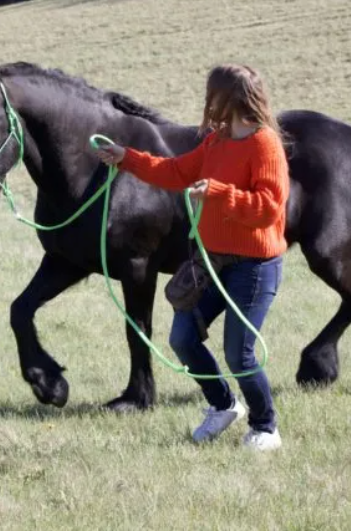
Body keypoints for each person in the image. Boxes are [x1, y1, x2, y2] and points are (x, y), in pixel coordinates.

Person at [94, 64, 290, 451]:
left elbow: (269, 208)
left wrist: (219, 193)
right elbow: (175, 171)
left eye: (212, 93)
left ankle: (266, 427)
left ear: (231, 97)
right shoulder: (216, 142)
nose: (208, 101)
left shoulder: (264, 144)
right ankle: (223, 405)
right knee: (182, 337)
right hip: (213, 262)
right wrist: (125, 158)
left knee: (239, 352)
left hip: (254, 267)